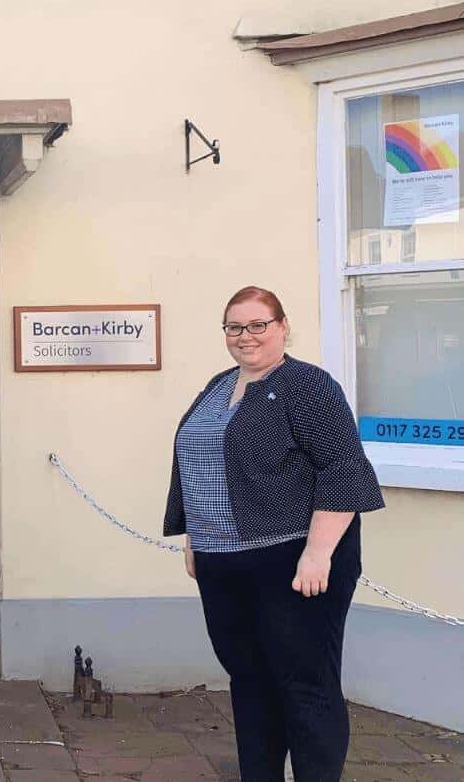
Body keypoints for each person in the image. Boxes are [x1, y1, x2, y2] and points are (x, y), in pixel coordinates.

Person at [164, 285, 385, 782]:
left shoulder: (307, 385)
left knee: (306, 686)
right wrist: (195, 540)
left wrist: (319, 552)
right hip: (224, 562)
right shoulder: (219, 385)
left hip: (293, 560)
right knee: (249, 682)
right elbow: (201, 466)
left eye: (258, 324)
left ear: (283, 327)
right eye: (234, 326)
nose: (246, 336)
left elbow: (343, 470)